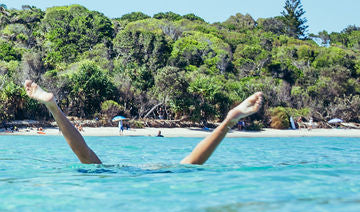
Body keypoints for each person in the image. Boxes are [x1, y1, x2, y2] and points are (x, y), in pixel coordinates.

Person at [23, 79, 263, 165]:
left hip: (126, 176)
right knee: (190, 164)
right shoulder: (164, 175)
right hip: (159, 176)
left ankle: (54, 108)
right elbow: (192, 161)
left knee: (88, 159)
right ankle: (229, 120)